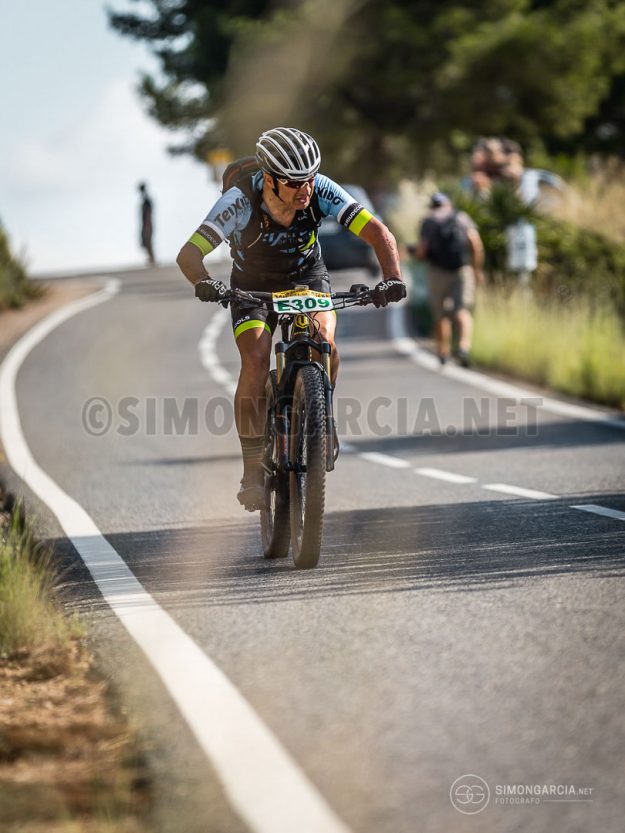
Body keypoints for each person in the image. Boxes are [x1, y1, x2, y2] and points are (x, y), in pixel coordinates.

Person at [176, 126, 405, 509]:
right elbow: (189, 253)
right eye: (296, 182)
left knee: (326, 344)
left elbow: (378, 232)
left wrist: (392, 277)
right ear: (269, 179)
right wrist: (204, 282)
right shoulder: (240, 200)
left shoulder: (321, 189)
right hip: (252, 285)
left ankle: (319, 417)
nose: (306, 190)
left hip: (306, 277)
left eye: (310, 180)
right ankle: (252, 467)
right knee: (254, 359)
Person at [415, 192, 484, 367]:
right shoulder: (461, 217)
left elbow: (422, 251)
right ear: (449, 204)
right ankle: (463, 347)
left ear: (432, 206)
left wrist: (416, 255)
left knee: (440, 314)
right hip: (462, 269)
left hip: (437, 272)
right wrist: (476, 269)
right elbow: (475, 243)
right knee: (462, 310)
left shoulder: (429, 221)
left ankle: (443, 351)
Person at [138, 182, 155, 265]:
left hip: (147, 224)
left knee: (148, 241)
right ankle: (151, 258)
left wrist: (147, 226)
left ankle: (152, 258)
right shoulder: (145, 199)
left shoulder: (147, 200)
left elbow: (148, 214)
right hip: (146, 224)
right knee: (146, 241)